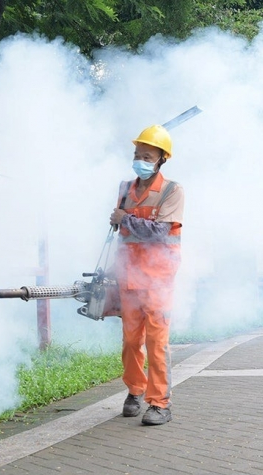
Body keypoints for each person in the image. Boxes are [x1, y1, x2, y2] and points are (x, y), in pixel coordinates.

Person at [109, 124, 183, 426]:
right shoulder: (125, 189)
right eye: (137, 153)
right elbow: (120, 228)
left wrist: (124, 218)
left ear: (161, 159)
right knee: (130, 342)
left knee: (156, 342)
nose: (140, 159)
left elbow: (158, 233)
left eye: (147, 155)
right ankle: (135, 391)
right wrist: (118, 220)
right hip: (128, 277)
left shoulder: (172, 191)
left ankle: (159, 403)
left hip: (158, 280)